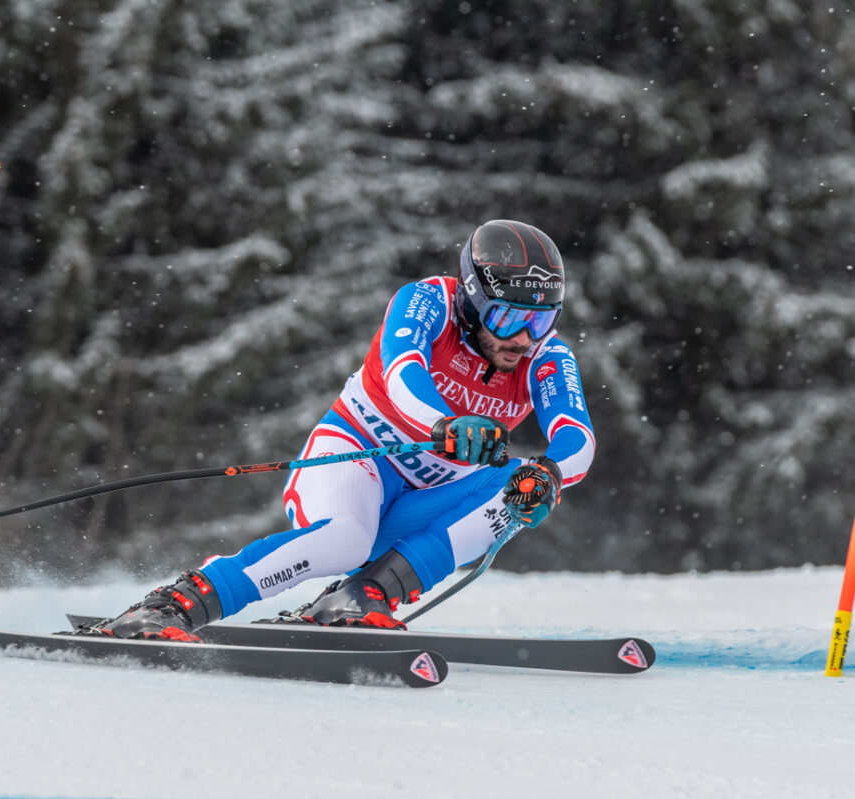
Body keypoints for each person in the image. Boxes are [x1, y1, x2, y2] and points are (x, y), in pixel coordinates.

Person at [100, 219, 595, 640]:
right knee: (347, 540)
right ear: (473, 299)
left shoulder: (545, 356)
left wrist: (550, 475)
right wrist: (444, 423)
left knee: (522, 483)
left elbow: (577, 436)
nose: (525, 338)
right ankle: (177, 605)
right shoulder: (428, 302)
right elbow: (402, 373)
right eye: (510, 317)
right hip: (355, 459)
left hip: (421, 503)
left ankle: (359, 598)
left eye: (543, 319)